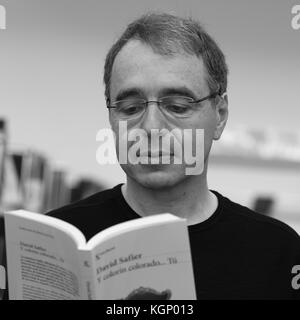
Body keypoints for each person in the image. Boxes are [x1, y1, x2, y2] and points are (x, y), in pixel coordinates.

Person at [3, 12, 300, 300]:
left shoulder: (279, 252)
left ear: (220, 115)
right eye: (131, 108)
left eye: (178, 106)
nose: (151, 127)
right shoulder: (52, 248)